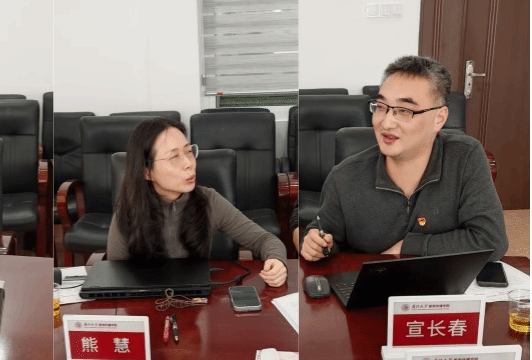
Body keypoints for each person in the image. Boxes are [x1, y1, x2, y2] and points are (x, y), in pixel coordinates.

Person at [300, 56, 506, 262]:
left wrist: (407, 247)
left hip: (445, 279)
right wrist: (316, 246)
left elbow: (491, 240)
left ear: (439, 118)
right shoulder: (344, 176)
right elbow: (325, 240)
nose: (386, 123)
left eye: (405, 111)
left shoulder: (465, 156)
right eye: (381, 107)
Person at [107, 118, 287, 287]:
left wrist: (276, 260)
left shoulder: (209, 200)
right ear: (147, 172)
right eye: (174, 157)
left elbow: (264, 239)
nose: (189, 163)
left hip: (197, 299)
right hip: (146, 301)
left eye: (188, 152)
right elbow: (114, 273)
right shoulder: (129, 210)